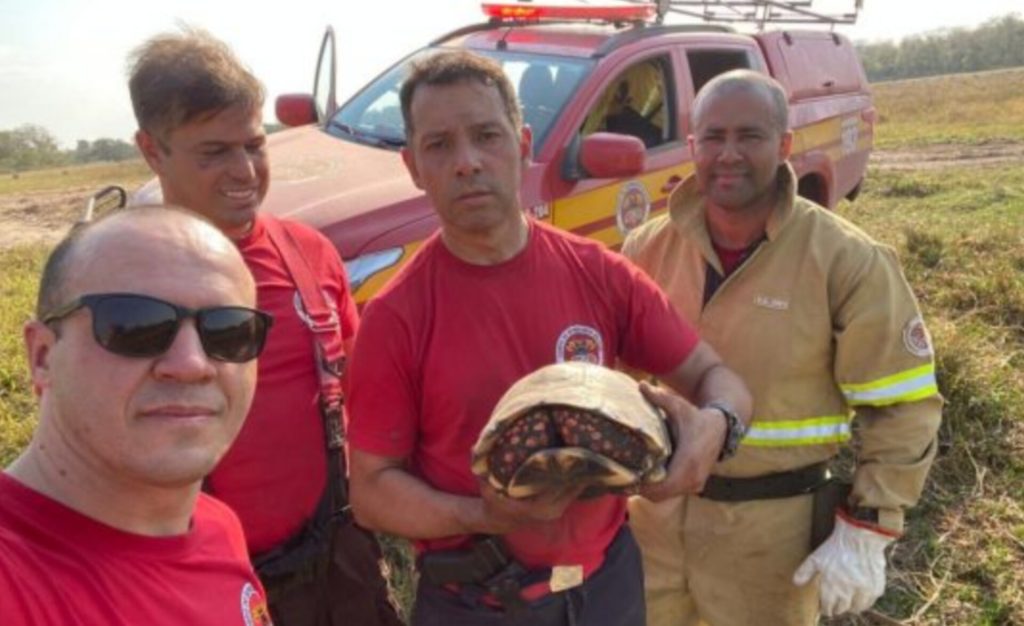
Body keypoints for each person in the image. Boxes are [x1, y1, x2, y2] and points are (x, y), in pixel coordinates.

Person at [346, 50, 753, 626]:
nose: (467, 162)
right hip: (478, 604)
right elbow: (372, 490)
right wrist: (485, 515)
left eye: (487, 135)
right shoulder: (396, 318)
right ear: (413, 166)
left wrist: (717, 427)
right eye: (440, 145)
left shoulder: (599, 272)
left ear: (523, 143)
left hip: (607, 587)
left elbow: (718, 378)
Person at [622, 69, 943, 625]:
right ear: (692, 145)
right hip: (652, 526)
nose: (729, 154)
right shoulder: (646, 247)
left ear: (785, 144)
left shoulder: (844, 258)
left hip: (772, 539)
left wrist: (869, 525)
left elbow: (904, 404)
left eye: (750, 136)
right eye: (714, 137)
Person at [128, 28, 402, 626]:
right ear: (152, 150)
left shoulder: (308, 252)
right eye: (214, 152)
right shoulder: (122, 281)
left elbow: (362, 388)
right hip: (199, 580)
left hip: (338, 559)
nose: (244, 171)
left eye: (254, 145)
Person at [0, 207, 274, 625]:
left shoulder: (216, 527)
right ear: (42, 355)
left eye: (229, 330)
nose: (191, 364)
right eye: (134, 325)